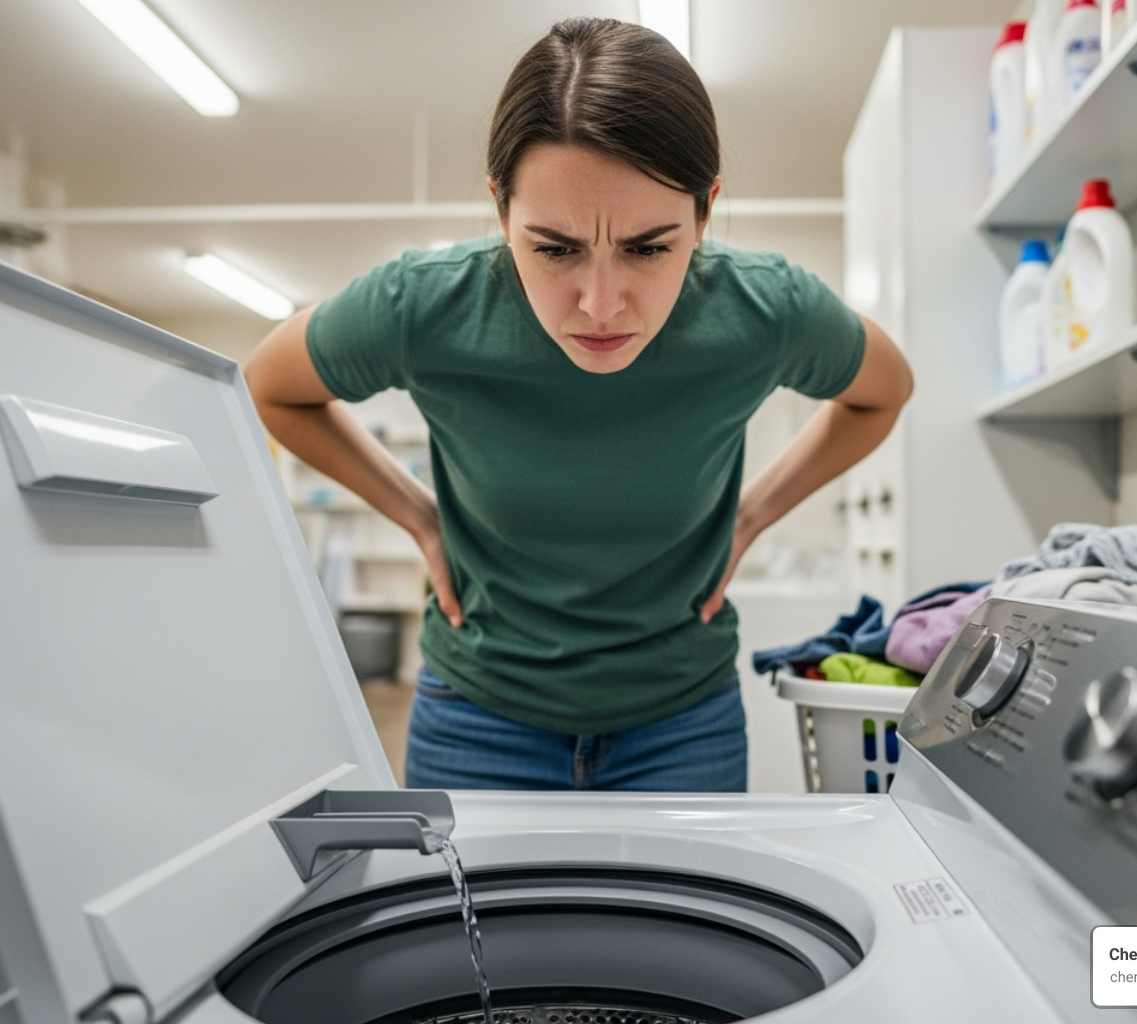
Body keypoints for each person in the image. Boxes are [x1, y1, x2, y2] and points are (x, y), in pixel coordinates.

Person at [245, 17, 912, 792]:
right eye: (555, 249)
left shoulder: (764, 308)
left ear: (705, 213)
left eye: (649, 247)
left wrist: (754, 513)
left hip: (682, 721)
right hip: (476, 716)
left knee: (677, 920)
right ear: (501, 212)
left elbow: (883, 392)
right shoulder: (423, 307)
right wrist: (420, 516)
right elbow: (271, 385)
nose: (600, 305)